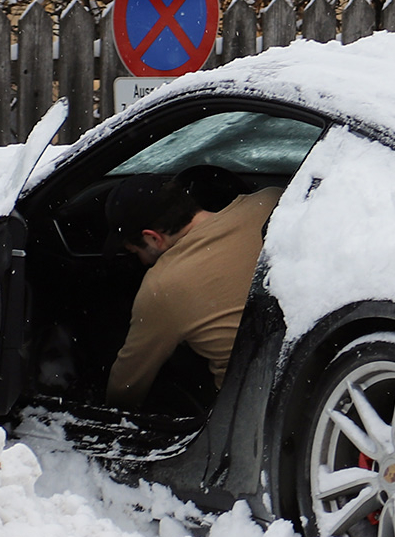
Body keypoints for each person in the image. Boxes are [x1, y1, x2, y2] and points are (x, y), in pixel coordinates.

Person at [103, 172, 281, 411]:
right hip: (319, 364)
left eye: (135, 251)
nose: (142, 262)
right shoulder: (271, 200)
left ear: (153, 238)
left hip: (251, 407)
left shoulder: (162, 286)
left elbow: (125, 388)